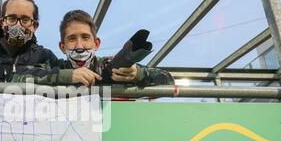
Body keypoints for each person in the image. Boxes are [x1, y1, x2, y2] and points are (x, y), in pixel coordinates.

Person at [12, 10, 174, 87]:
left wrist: (137, 74)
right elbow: (15, 79)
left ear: (96, 44)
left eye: (85, 37)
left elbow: (168, 80)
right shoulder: (55, 68)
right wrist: (67, 76)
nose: (80, 46)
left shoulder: (111, 65)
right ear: (62, 47)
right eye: (72, 39)